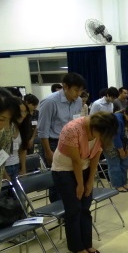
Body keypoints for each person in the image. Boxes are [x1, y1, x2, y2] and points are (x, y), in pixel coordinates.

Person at [52, 112, 118, 253]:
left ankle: (87, 243)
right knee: (74, 208)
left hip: (85, 167)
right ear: (94, 127)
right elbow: (75, 161)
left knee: (85, 207)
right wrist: (80, 185)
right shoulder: (72, 129)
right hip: (64, 170)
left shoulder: (101, 131)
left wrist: (89, 182)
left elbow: (95, 157)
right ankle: (77, 247)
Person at [37, 72, 85, 202]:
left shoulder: (78, 101)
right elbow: (43, 130)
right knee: (57, 179)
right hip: (54, 143)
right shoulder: (50, 102)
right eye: (76, 90)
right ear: (65, 86)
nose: (78, 94)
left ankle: (69, 206)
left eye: (80, 91)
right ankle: (59, 209)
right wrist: (48, 151)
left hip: (72, 143)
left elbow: (77, 123)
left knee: (71, 176)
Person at [104, 105, 128, 192]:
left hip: (125, 143)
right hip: (110, 143)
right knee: (115, 165)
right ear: (125, 113)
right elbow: (115, 137)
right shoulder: (117, 119)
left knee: (124, 164)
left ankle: (124, 183)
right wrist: (121, 151)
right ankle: (117, 185)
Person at [4, 99, 31, 183]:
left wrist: (23, 168)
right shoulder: (4, 129)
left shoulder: (22, 128)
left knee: (17, 195)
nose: (22, 115)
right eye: (20, 112)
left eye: (25, 112)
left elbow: (22, 150)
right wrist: (5, 175)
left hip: (16, 166)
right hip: (4, 168)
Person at [0, 89, 21, 184]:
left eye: (9, 120)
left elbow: (2, 156)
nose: (5, 126)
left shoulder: (8, 129)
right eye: (1, 119)